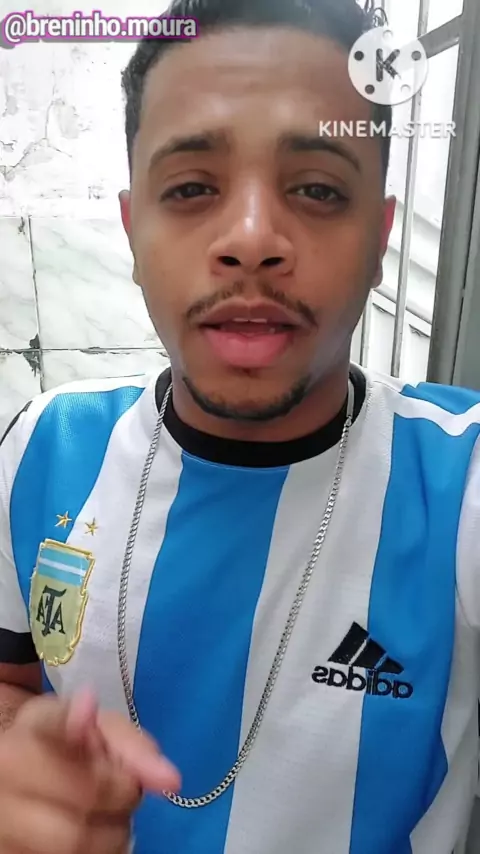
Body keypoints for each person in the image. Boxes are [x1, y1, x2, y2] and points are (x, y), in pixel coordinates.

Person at [0, 0, 479, 851]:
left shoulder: (461, 482)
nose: (252, 240)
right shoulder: (42, 448)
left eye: (318, 190)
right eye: (191, 189)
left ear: (379, 239)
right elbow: (12, 686)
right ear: (133, 231)